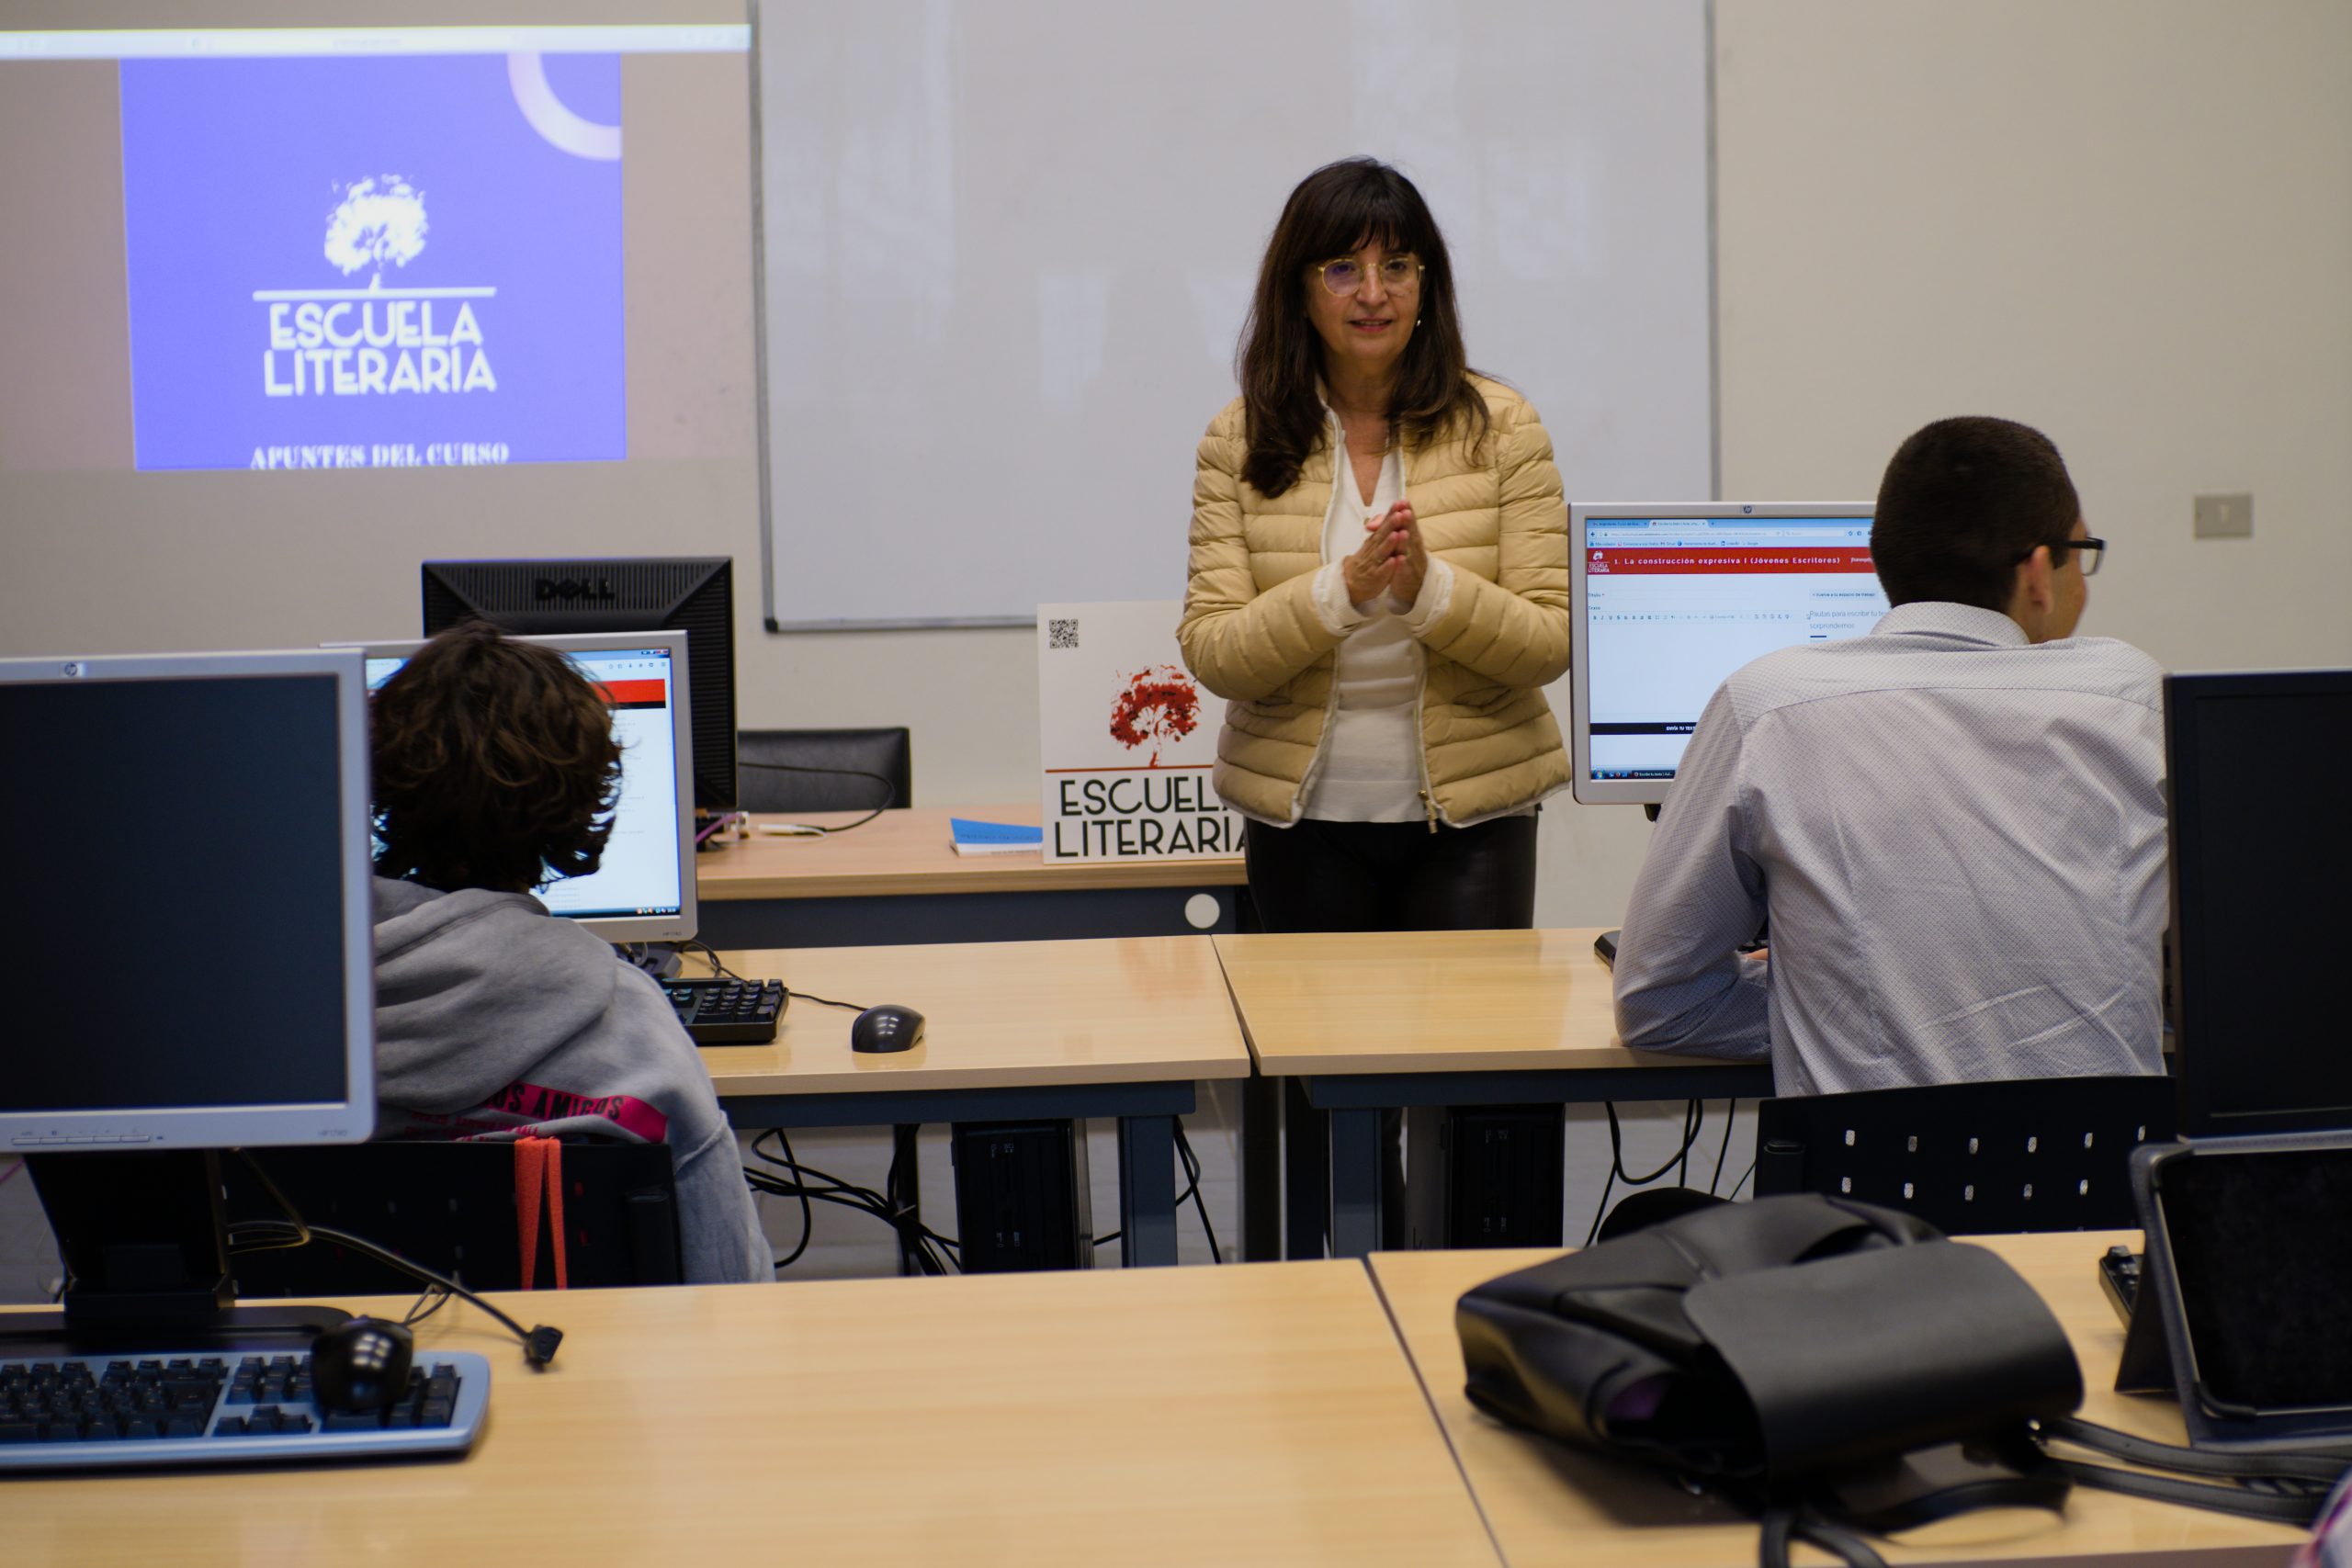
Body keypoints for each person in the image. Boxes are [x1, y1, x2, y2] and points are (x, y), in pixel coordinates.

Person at [1612, 416, 2165, 1095]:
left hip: (1865, 1196)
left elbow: (1659, 1002)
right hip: (2098, 1189)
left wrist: (1837, 1009)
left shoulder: (1768, 704)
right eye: (2080, 550)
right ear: (2037, 574)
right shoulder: (2132, 699)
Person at [1179, 157, 1572, 933]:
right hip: (1303, 826)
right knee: (1320, 1057)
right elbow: (1213, 649)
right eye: (1341, 268)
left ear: (1427, 284)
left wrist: (1433, 592)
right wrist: (1340, 592)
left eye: (1397, 265)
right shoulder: (1238, 437)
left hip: (1474, 825)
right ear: (1297, 288)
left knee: (1461, 1056)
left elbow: (1550, 641)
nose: (1372, 292)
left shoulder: (1503, 426)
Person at [368, 620, 770, 1283]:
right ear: (580, 801)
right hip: (593, 1375)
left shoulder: (285, 1031)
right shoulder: (636, 1028)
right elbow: (733, 1288)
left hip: (352, 1376)